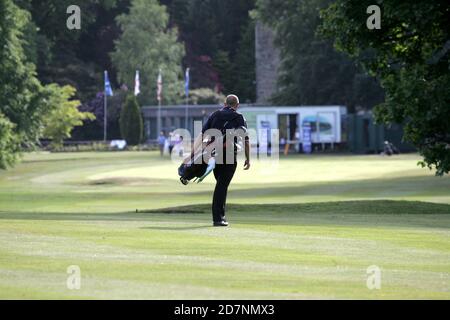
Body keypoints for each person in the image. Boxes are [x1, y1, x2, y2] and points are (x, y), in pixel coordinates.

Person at [190, 95, 251, 227]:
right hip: (229, 156)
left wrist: (193, 153)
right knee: (222, 186)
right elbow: (245, 140)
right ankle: (218, 218)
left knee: (221, 185)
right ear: (237, 105)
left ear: (224, 103)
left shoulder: (215, 115)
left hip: (213, 156)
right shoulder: (239, 117)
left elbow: (202, 135)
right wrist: (248, 158)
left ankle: (220, 216)